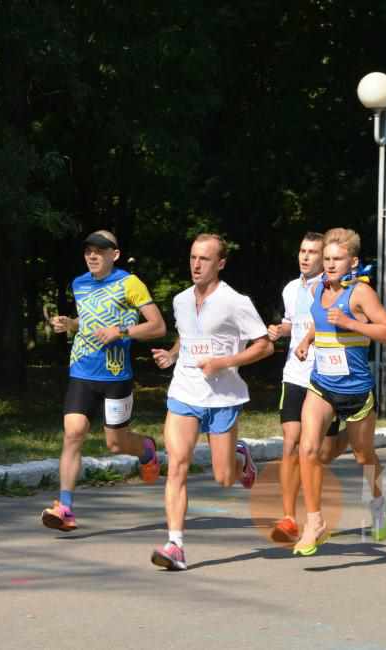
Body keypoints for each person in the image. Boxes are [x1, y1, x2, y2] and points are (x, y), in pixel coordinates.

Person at [150, 233, 274, 570]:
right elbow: (189, 335)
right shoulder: (180, 300)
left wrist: (223, 362)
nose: (196, 264)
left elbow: (264, 345)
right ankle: (175, 545)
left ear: (220, 263)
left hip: (223, 396)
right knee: (177, 465)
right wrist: (173, 354)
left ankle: (239, 457)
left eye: (204, 259)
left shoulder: (235, 301)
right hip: (184, 393)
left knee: (223, 478)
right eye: (193, 257)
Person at [42, 230, 167, 532]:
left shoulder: (130, 283)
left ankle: (147, 449)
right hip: (82, 370)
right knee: (73, 433)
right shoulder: (79, 284)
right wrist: (69, 324)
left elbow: (158, 326)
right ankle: (66, 507)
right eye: (88, 251)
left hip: (116, 376)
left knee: (115, 443)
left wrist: (121, 332)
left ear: (115, 254)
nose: (93, 256)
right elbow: (86, 322)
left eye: (100, 250)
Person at [292, 227, 386, 556]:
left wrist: (351, 323)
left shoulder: (360, 294)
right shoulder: (320, 288)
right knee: (306, 449)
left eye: (337, 259)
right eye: (326, 259)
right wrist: (308, 340)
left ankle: (380, 503)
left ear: (353, 261)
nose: (330, 264)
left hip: (356, 391)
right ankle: (315, 522)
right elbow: (319, 318)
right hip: (322, 384)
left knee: (363, 455)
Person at [266, 232, 348, 543]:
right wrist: (279, 330)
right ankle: (288, 517)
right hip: (295, 373)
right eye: (302, 250)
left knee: (321, 452)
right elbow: (292, 321)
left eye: (312, 252)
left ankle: (351, 434)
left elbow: (325, 321)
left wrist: (307, 337)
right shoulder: (290, 288)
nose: (305, 257)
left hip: (326, 374)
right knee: (292, 442)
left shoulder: (333, 288)